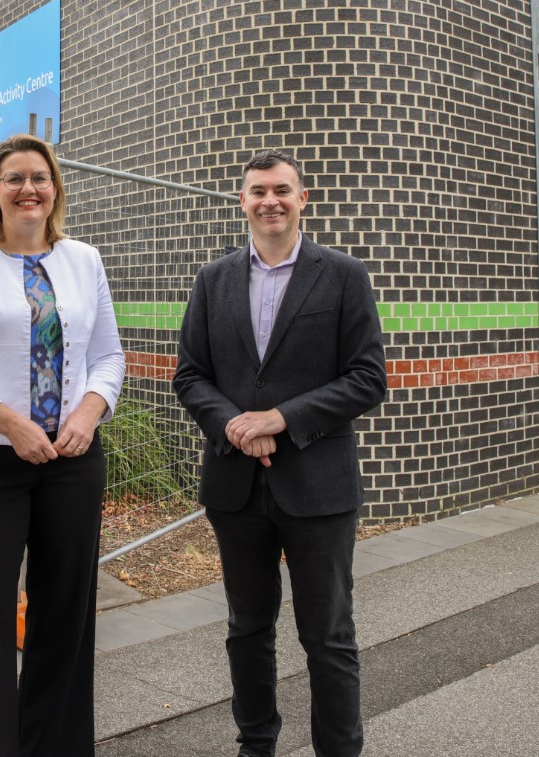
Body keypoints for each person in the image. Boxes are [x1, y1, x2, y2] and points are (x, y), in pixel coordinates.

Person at [0, 133, 126, 757]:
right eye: (14, 179)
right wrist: (8, 422)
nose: (28, 188)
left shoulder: (85, 260)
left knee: (64, 616)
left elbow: (109, 357)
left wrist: (90, 411)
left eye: (40, 177)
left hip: (72, 462)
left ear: (56, 188)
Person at [172, 149, 386, 757]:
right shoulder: (214, 280)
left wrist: (282, 418)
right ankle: (256, 744)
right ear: (242, 201)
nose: (270, 200)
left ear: (303, 198)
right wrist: (237, 425)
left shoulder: (342, 275)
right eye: (258, 190)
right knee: (247, 628)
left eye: (282, 190)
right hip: (235, 487)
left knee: (328, 636)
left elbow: (368, 377)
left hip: (318, 485)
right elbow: (190, 376)